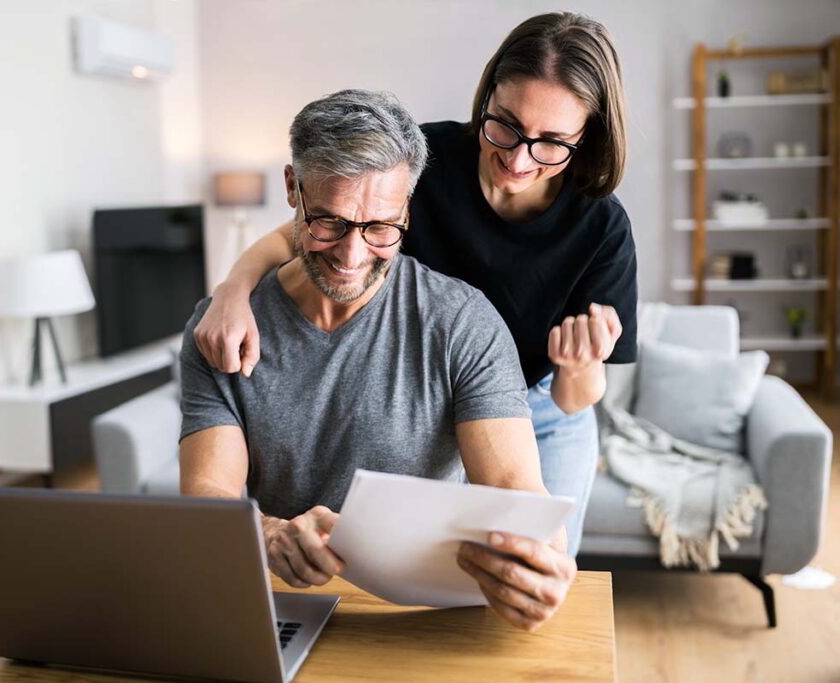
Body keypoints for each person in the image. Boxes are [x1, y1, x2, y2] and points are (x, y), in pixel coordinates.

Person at [191, 12, 638, 557]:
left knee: (539, 561)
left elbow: (577, 399)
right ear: (487, 97)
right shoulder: (424, 160)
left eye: (551, 142)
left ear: (585, 136)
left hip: (541, 403)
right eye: (505, 124)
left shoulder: (601, 227)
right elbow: (316, 228)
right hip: (436, 392)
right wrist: (233, 290)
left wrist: (580, 364)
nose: (518, 158)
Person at [180, 89, 576, 632]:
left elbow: (515, 488)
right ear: (293, 187)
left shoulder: (461, 321)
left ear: (407, 210)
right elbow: (208, 497)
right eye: (329, 223)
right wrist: (269, 532)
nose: (352, 255)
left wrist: (543, 559)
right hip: (281, 610)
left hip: (418, 621)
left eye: (380, 228)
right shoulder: (221, 329)